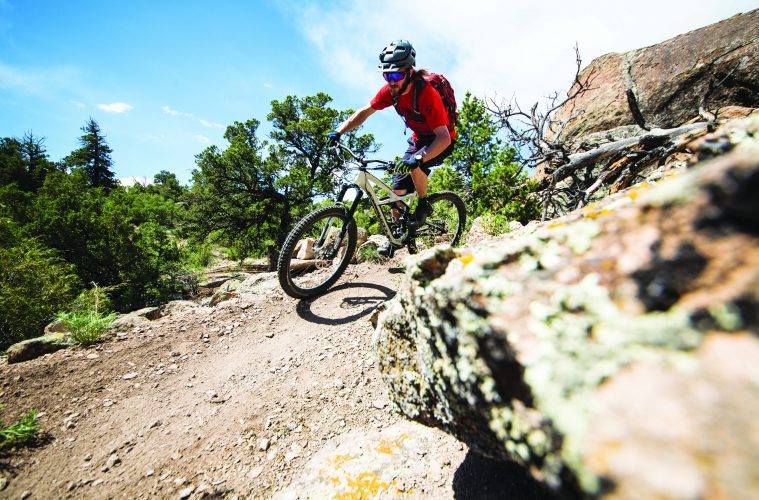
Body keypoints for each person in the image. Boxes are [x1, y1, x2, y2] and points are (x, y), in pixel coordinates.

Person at [327, 39, 456, 230]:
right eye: (386, 75)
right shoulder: (391, 91)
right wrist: (339, 131)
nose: (392, 81)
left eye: (396, 74)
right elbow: (365, 112)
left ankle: (423, 204)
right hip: (418, 139)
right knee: (396, 194)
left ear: (410, 71)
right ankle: (397, 236)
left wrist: (419, 157)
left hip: (441, 140)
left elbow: (443, 137)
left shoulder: (426, 94)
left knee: (414, 166)